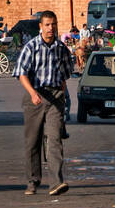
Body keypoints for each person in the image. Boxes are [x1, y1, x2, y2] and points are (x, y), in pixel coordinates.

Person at [14, 10, 73, 196]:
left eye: (53, 24)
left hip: (55, 97)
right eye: (47, 25)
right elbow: (21, 73)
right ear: (40, 27)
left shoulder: (61, 48)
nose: (50, 28)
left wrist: (62, 98)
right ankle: (32, 182)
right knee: (33, 141)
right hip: (35, 96)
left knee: (54, 140)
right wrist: (32, 92)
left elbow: (64, 76)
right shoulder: (31, 47)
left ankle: (56, 182)